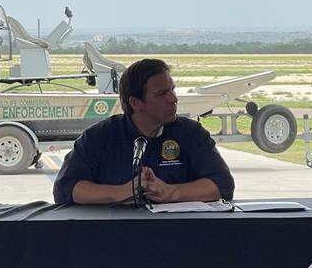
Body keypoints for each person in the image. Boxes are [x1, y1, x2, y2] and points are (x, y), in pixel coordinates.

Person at [53, 58, 235, 205]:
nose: (173, 98)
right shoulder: (99, 137)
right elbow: (66, 188)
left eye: (172, 89)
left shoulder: (191, 133)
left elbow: (223, 184)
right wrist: (123, 192)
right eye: (162, 94)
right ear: (135, 103)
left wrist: (171, 192)